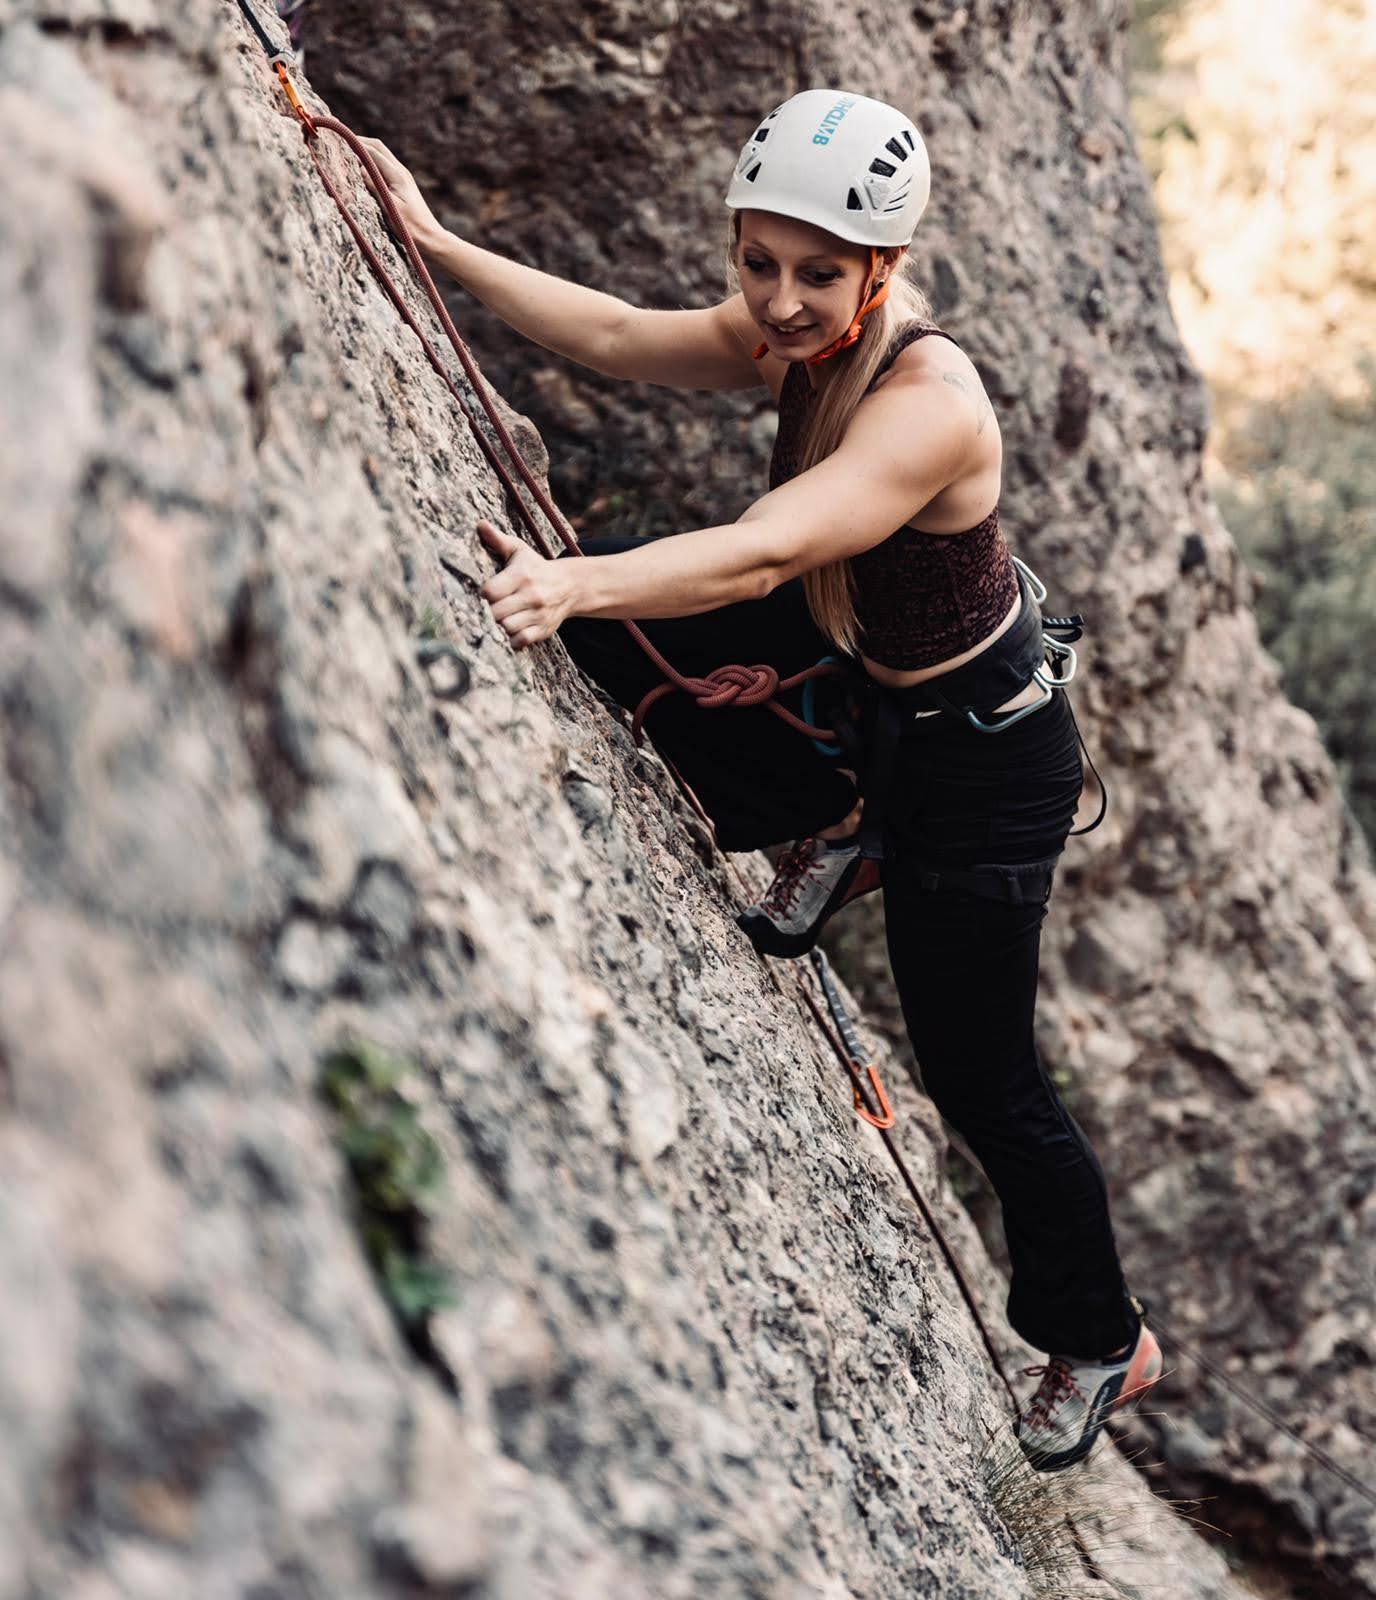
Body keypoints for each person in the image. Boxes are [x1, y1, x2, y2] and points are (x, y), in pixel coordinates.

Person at [360, 88, 1163, 1472]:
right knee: (621, 644)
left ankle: (1103, 1340)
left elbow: (767, 546)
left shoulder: (928, 402)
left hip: (982, 757)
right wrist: (431, 243)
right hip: (875, 663)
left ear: (881, 273)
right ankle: (847, 824)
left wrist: (576, 581)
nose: (780, 305)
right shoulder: (796, 329)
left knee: (985, 1079)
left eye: (817, 276)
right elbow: (619, 337)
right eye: (758, 263)